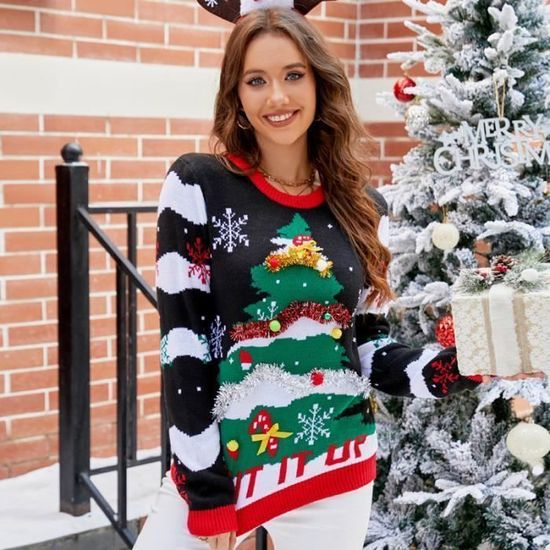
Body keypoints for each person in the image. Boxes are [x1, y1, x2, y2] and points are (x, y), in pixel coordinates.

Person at [134, 5, 545, 550]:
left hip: (336, 467)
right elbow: (183, 345)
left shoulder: (362, 207)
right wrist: (207, 492)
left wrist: (464, 364)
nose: (276, 97)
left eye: (293, 75)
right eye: (256, 80)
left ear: (319, 83)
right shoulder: (197, 186)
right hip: (225, 468)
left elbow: (369, 351)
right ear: (236, 94)